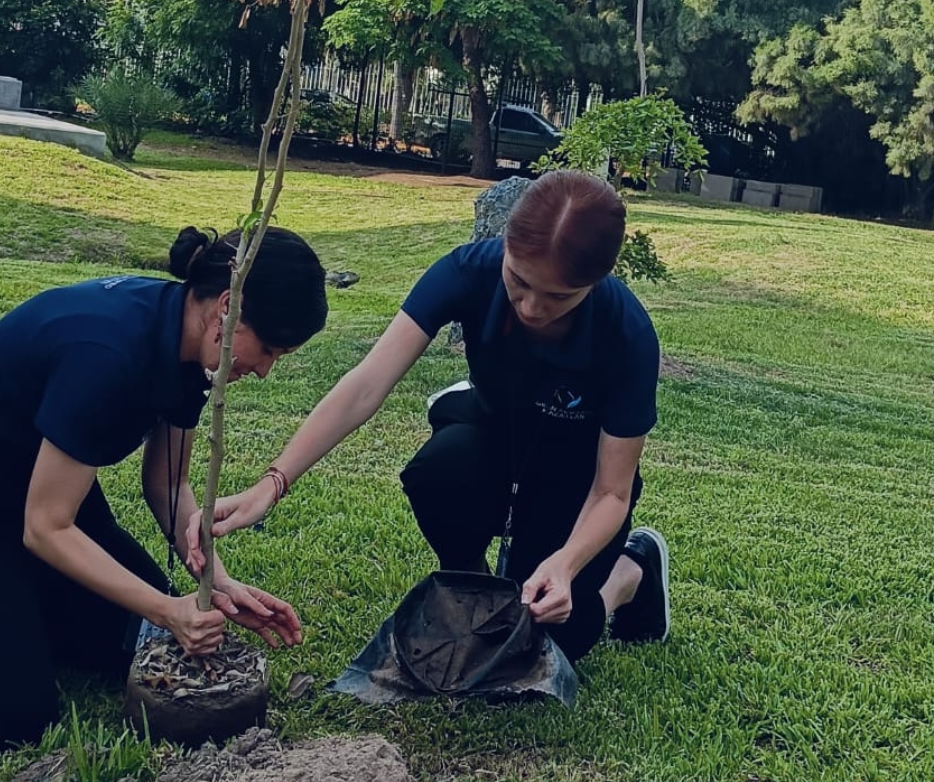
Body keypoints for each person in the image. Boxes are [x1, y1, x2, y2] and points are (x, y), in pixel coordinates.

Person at [0, 226, 328, 751]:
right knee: (10, 713)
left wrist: (218, 581)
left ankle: (16, 609)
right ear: (227, 308)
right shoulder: (111, 354)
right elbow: (45, 529)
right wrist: (168, 608)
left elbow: (168, 482)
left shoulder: (188, 345)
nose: (265, 371)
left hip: (49, 495)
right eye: (271, 349)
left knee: (135, 646)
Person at [188, 170, 670, 667]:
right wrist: (273, 482)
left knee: (556, 641)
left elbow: (611, 491)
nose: (530, 306)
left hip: (575, 465)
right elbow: (366, 384)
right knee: (440, 474)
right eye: (519, 281)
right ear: (503, 246)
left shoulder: (627, 334)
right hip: (493, 429)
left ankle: (632, 571)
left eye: (557, 297)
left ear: (594, 282)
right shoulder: (467, 272)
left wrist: (566, 565)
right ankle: (474, 588)